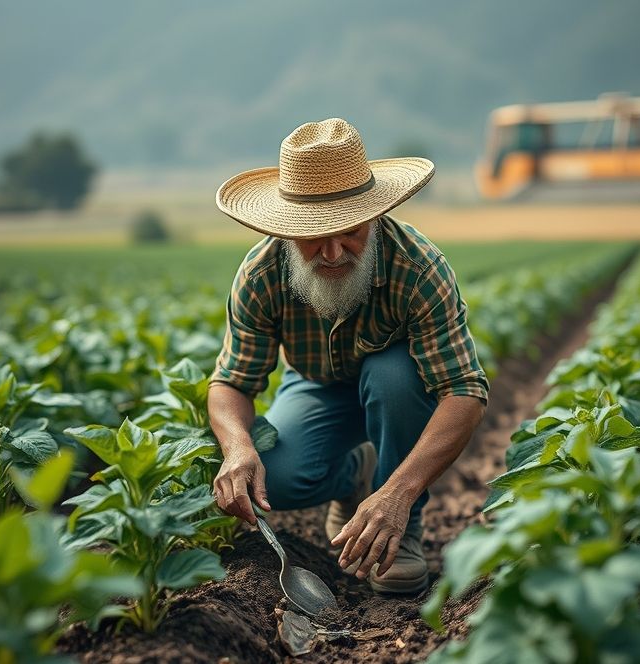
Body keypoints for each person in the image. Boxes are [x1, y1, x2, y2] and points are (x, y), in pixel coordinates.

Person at [208, 117, 488, 594]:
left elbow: (464, 392)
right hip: (316, 385)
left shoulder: (417, 268)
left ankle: (402, 529)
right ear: (289, 229)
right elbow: (231, 381)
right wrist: (237, 446)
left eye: (351, 231)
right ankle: (355, 476)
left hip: (400, 393)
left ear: (374, 217)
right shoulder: (261, 274)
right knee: (276, 477)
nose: (334, 251)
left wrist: (398, 495)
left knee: (392, 374)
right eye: (315, 234)